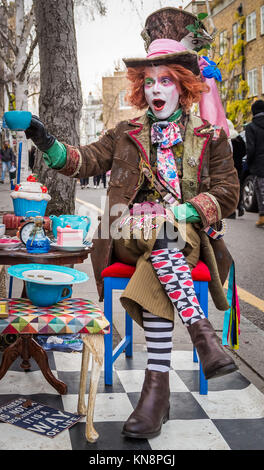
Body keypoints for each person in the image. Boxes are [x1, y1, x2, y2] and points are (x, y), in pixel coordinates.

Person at [24, 8, 240, 439]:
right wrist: (44, 139)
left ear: (184, 86)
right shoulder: (125, 132)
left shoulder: (210, 136)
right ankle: (202, 334)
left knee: (164, 241)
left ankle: (154, 392)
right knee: (154, 228)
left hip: (185, 236)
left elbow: (228, 193)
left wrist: (187, 210)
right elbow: (82, 160)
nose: (156, 88)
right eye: (150, 81)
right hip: (125, 231)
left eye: (167, 80)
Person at [245, 100, 264, 227]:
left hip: (259, 164)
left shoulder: (251, 127)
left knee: (260, 190)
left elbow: (250, 149)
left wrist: (248, 163)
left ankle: (262, 217)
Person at [227, 119, 246, 218]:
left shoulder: (226, 137)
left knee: (230, 189)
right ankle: (240, 205)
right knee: (239, 187)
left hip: (229, 167)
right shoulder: (238, 137)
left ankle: (232, 211)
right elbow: (244, 151)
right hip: (238, 167)